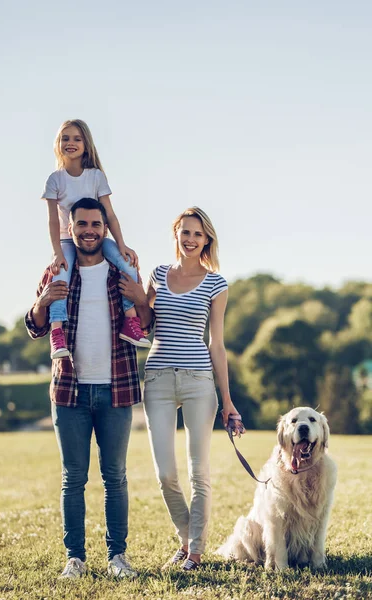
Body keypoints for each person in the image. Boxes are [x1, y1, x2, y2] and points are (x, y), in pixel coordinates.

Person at [25, 198, 153, 579]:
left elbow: (146, 325)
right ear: (71, 228)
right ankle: (75, 559)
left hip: (117, 387)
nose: (89, 230)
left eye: (96, 224)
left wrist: (140, 299)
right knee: (73, 478)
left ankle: (117, 558)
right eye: (82, 224)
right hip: (69, 391)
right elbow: (34, 327)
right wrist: (43, 301)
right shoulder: (57, 271)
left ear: (105, 228)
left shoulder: (122, 272)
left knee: (115, 476)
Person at [119, 206, 241, 571]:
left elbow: (216, 345)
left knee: (198, 471)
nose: (190, 239)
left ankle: (196, 552)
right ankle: (185, 539)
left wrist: (228, 401)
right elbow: (147, 321)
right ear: (176, 234)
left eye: (198, 234)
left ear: (207, 240)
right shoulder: (158, 274)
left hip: (199, 380)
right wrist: (139, 296)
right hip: (156, 377)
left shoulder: (217, 284)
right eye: (185, 232)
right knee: (165, 473)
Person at [42, 118, 150, 359]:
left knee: (128, 266)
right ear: (58, 143)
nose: (71, 143)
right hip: (67, 242)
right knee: (60, 276)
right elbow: (51, 220)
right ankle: (57, 332)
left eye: (77, 138)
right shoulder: (55, 179)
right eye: (65, 138)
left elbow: (110, 214)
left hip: (98, 239)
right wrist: (57, 252)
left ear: (86, 144)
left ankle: (130, 322)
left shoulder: (96, 176)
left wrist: (122, 245)